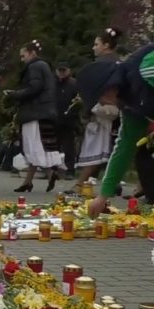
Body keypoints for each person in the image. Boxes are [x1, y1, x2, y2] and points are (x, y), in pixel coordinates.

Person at [78, 42, 154, 217]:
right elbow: (125, 147)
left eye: (100, 99)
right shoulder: (129, 105)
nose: (103, 103)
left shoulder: (146, 68)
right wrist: (103, 196)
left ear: (107, 87)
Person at [5, 40, 62, 193]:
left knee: (34, 146)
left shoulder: (34, 66)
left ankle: (50, 172)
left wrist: (14, 95)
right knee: (42, 145)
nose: (22, 59)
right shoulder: (44, 66)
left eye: (23, 56)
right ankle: (28, 181)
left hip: (34, 112)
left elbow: (34, 88)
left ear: (32, 53)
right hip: (45, 110)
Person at [74, 28, 125, 193]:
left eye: (96, 44)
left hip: (103, 111)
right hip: (112, 110)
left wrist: (92, 100)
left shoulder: (106, 66)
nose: (93, 47)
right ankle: (113, 183)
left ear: (106, 45)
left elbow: (110, 90)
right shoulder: (118, 64)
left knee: (97, 148)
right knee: (108, 149)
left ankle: (79, 184)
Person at [54, 62, 79, 180]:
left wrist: (73, 114)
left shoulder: (74, 84)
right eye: (60, 70)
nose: (61, 73)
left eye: (64, 70)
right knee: (53, 146)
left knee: (68, 147)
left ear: (68, 71)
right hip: (54, 119)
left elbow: (78, 102)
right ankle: (52, 169)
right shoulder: (52, 84)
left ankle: (70, 170)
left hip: (69, 121)